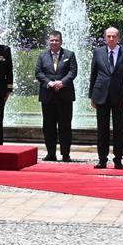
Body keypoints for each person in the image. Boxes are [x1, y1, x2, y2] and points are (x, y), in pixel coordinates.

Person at [88, 27, 123, 169]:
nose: (111, 39)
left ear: (118, 38)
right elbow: (93, 75)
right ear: (105, 38)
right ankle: (102, 159)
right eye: (109, 36)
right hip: (101, 96)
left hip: (120, 96)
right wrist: (92, 96)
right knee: (102, 130)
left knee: (119, 130)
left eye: (114, 36)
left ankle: (118, 159)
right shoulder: (98, 52)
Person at [35, 30, 77, 162]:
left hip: (64, 96)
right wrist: (49, 83)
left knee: (65, 126)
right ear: (48, 41)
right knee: (48, 126)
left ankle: (66, 154)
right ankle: (51, 154)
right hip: (48, 96)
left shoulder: (69, 55)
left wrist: (62, 82)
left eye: (56, 40)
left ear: (61, 41)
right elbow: (38, 72)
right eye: (52, 40)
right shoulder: (42, 56)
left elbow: (73, 71)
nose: (54, 42)